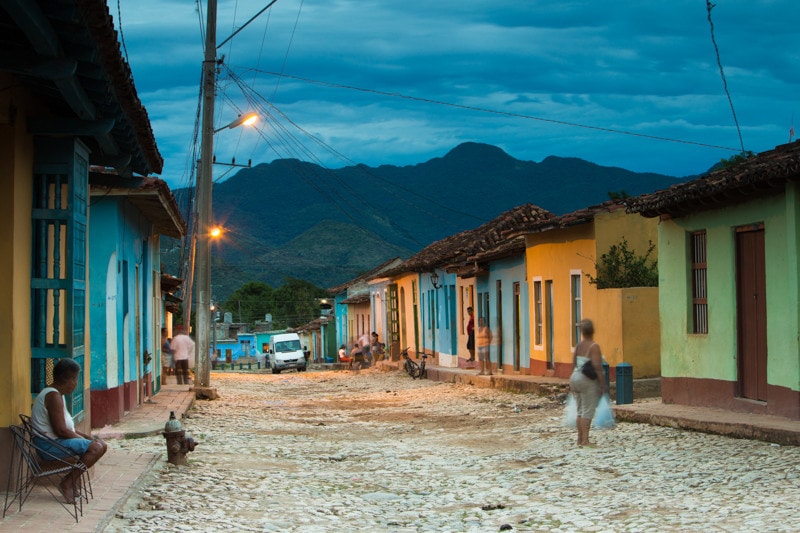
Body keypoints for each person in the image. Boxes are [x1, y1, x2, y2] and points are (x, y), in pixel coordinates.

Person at [30, 358, 108, 503]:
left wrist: (88, 438)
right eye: (75, 379)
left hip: (56, 442)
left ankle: (70, 480)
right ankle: (67, 482)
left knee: (101, 445)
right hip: (49, 446)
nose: (76, 383)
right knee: (95, 448)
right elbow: (61, 431)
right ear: (68, 379)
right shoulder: (53, 396)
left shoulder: (57, 395)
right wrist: (86, 441)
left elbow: (67, 429)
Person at [569, 319, 607, 447]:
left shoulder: (579, 345)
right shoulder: (594, 346)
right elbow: (597, 367)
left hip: (575, 377)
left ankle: (579, 439)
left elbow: (573, 363)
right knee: (588, 410)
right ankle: (585, 440)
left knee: (580, 410)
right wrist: (602, 384)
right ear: (593, 330)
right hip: (586, 380)